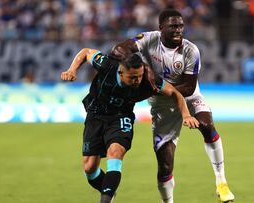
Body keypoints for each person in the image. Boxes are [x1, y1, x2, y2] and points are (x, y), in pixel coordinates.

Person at [111, 9, 235, 202]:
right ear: (161, 28)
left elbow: (187, 87)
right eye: (173, 26)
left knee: (207, 125)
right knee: (165, 164)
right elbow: (117, 50)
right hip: (162, 106)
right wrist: (145, 69)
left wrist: (156, 85)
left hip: (189, 97)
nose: (179, 30)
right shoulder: (147, 40)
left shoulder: (191, 50)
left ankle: (222, 182)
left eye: (181, 26)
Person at [60, 48, 199, 203]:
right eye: (132, 77)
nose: (137, 81)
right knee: (90, 168)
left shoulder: (149, 80)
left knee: (115, 152)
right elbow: (86, 52)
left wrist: (186, 115)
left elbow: (175, 93)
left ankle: (106, 199)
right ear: (120, 73)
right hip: (95, 116)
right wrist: (72, 69)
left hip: (121, 117)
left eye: (139, 76)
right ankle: (109, 189)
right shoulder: (108, 65)